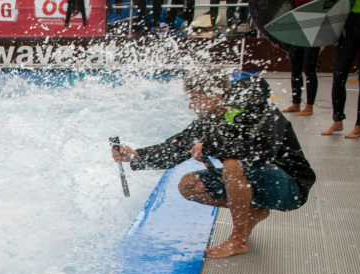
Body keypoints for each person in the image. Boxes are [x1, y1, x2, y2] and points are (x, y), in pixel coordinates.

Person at [112, 72, 316, 258]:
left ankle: (239, 239)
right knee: (189, 185)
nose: (191, 106)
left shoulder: (256, 110)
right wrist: (137, 156)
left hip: (291, 186)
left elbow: (259, 151)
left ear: (215, 95)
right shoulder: (209, 121)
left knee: (234, 164)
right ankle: (256, 208)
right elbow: (174, 149)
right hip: (261, 180)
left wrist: (210, 147)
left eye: (195, 98)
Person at [321, 0, 360, 139]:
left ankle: (358, 127)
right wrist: (333, 32)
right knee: (338, 74)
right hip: (350, 22)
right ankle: (337, 121)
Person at [282, 44, 319, 116]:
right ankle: (296, 104)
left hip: (311, 39)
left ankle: (309, 107)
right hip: (296, 37)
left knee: (309, 70)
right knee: (295, 70)